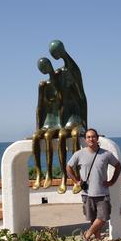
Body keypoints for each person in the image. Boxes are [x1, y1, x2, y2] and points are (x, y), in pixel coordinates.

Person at [66, 128, 121, 241]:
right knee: (93, 220)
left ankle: (86, 235)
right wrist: (76, 181)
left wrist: (112, 181)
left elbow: (118, 166)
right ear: (85, 140)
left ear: (97, 138)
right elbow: (68, 167)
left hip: (102, 193)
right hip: (87, 194)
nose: (91, 139)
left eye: (93, 137)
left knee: (103, 218)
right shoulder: (79, 154)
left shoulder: (106, 154)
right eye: (88, 137)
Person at [49, 40, 88, 194]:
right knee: (61, 134)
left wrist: (85, 122)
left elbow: (82, 96)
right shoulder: (60, 73)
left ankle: (77, 177)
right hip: (68, 119)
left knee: (73, 134)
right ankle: (64, 177)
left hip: (78, 118)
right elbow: (58, 100)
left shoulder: (73, 69)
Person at [32, 58, 62, 191]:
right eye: (41, 68)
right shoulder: (42, 85)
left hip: (58, 123)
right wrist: (38, 127)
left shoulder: (61, 81)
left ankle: (49, 173)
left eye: (45, 66)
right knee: (35, 137)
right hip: (46, 123)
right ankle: (39, 174)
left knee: (49, 136)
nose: (44, 69)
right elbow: (39, 107)